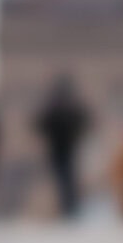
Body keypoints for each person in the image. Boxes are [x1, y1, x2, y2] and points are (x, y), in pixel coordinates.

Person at [33, 76, 93, 218]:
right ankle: (69, 205)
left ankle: (69, 205)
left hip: (63, 147)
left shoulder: (58, 107)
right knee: (66, 177)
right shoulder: (67, 107)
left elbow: (41, 123)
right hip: (64, 147)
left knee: (65, 177)